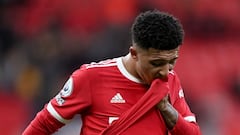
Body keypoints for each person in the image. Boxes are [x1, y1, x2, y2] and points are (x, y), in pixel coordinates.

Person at [23, 10, 201, 135]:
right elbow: (44, 124)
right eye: (157, 63)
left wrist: (166, 109)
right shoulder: (91, 77)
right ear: (134, 53)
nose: (164, 72)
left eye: (171, 62)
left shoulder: (170, 80)